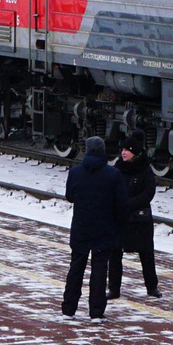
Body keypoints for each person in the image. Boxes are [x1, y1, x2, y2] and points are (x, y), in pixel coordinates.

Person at [61, 135, 126, 319]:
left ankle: (69, 308)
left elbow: (70, 197)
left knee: (76, 268)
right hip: (104, 230)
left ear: (87, 150)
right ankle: (96, 312)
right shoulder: (113, 175)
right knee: (99, 270)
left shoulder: (75, 172)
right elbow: (121, 203)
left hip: (81, 228)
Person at [115, 140, 163, 299]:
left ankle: (152, 287)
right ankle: (113, 289)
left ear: (135, 152)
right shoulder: (118, 168)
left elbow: (149, 192)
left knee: (146, 253)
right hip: (121, 217)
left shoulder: (145, 170)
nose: (123, 153)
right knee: (115, 253)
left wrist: (130, 203)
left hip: (140, 218)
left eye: (127, 150)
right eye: (122, 149)